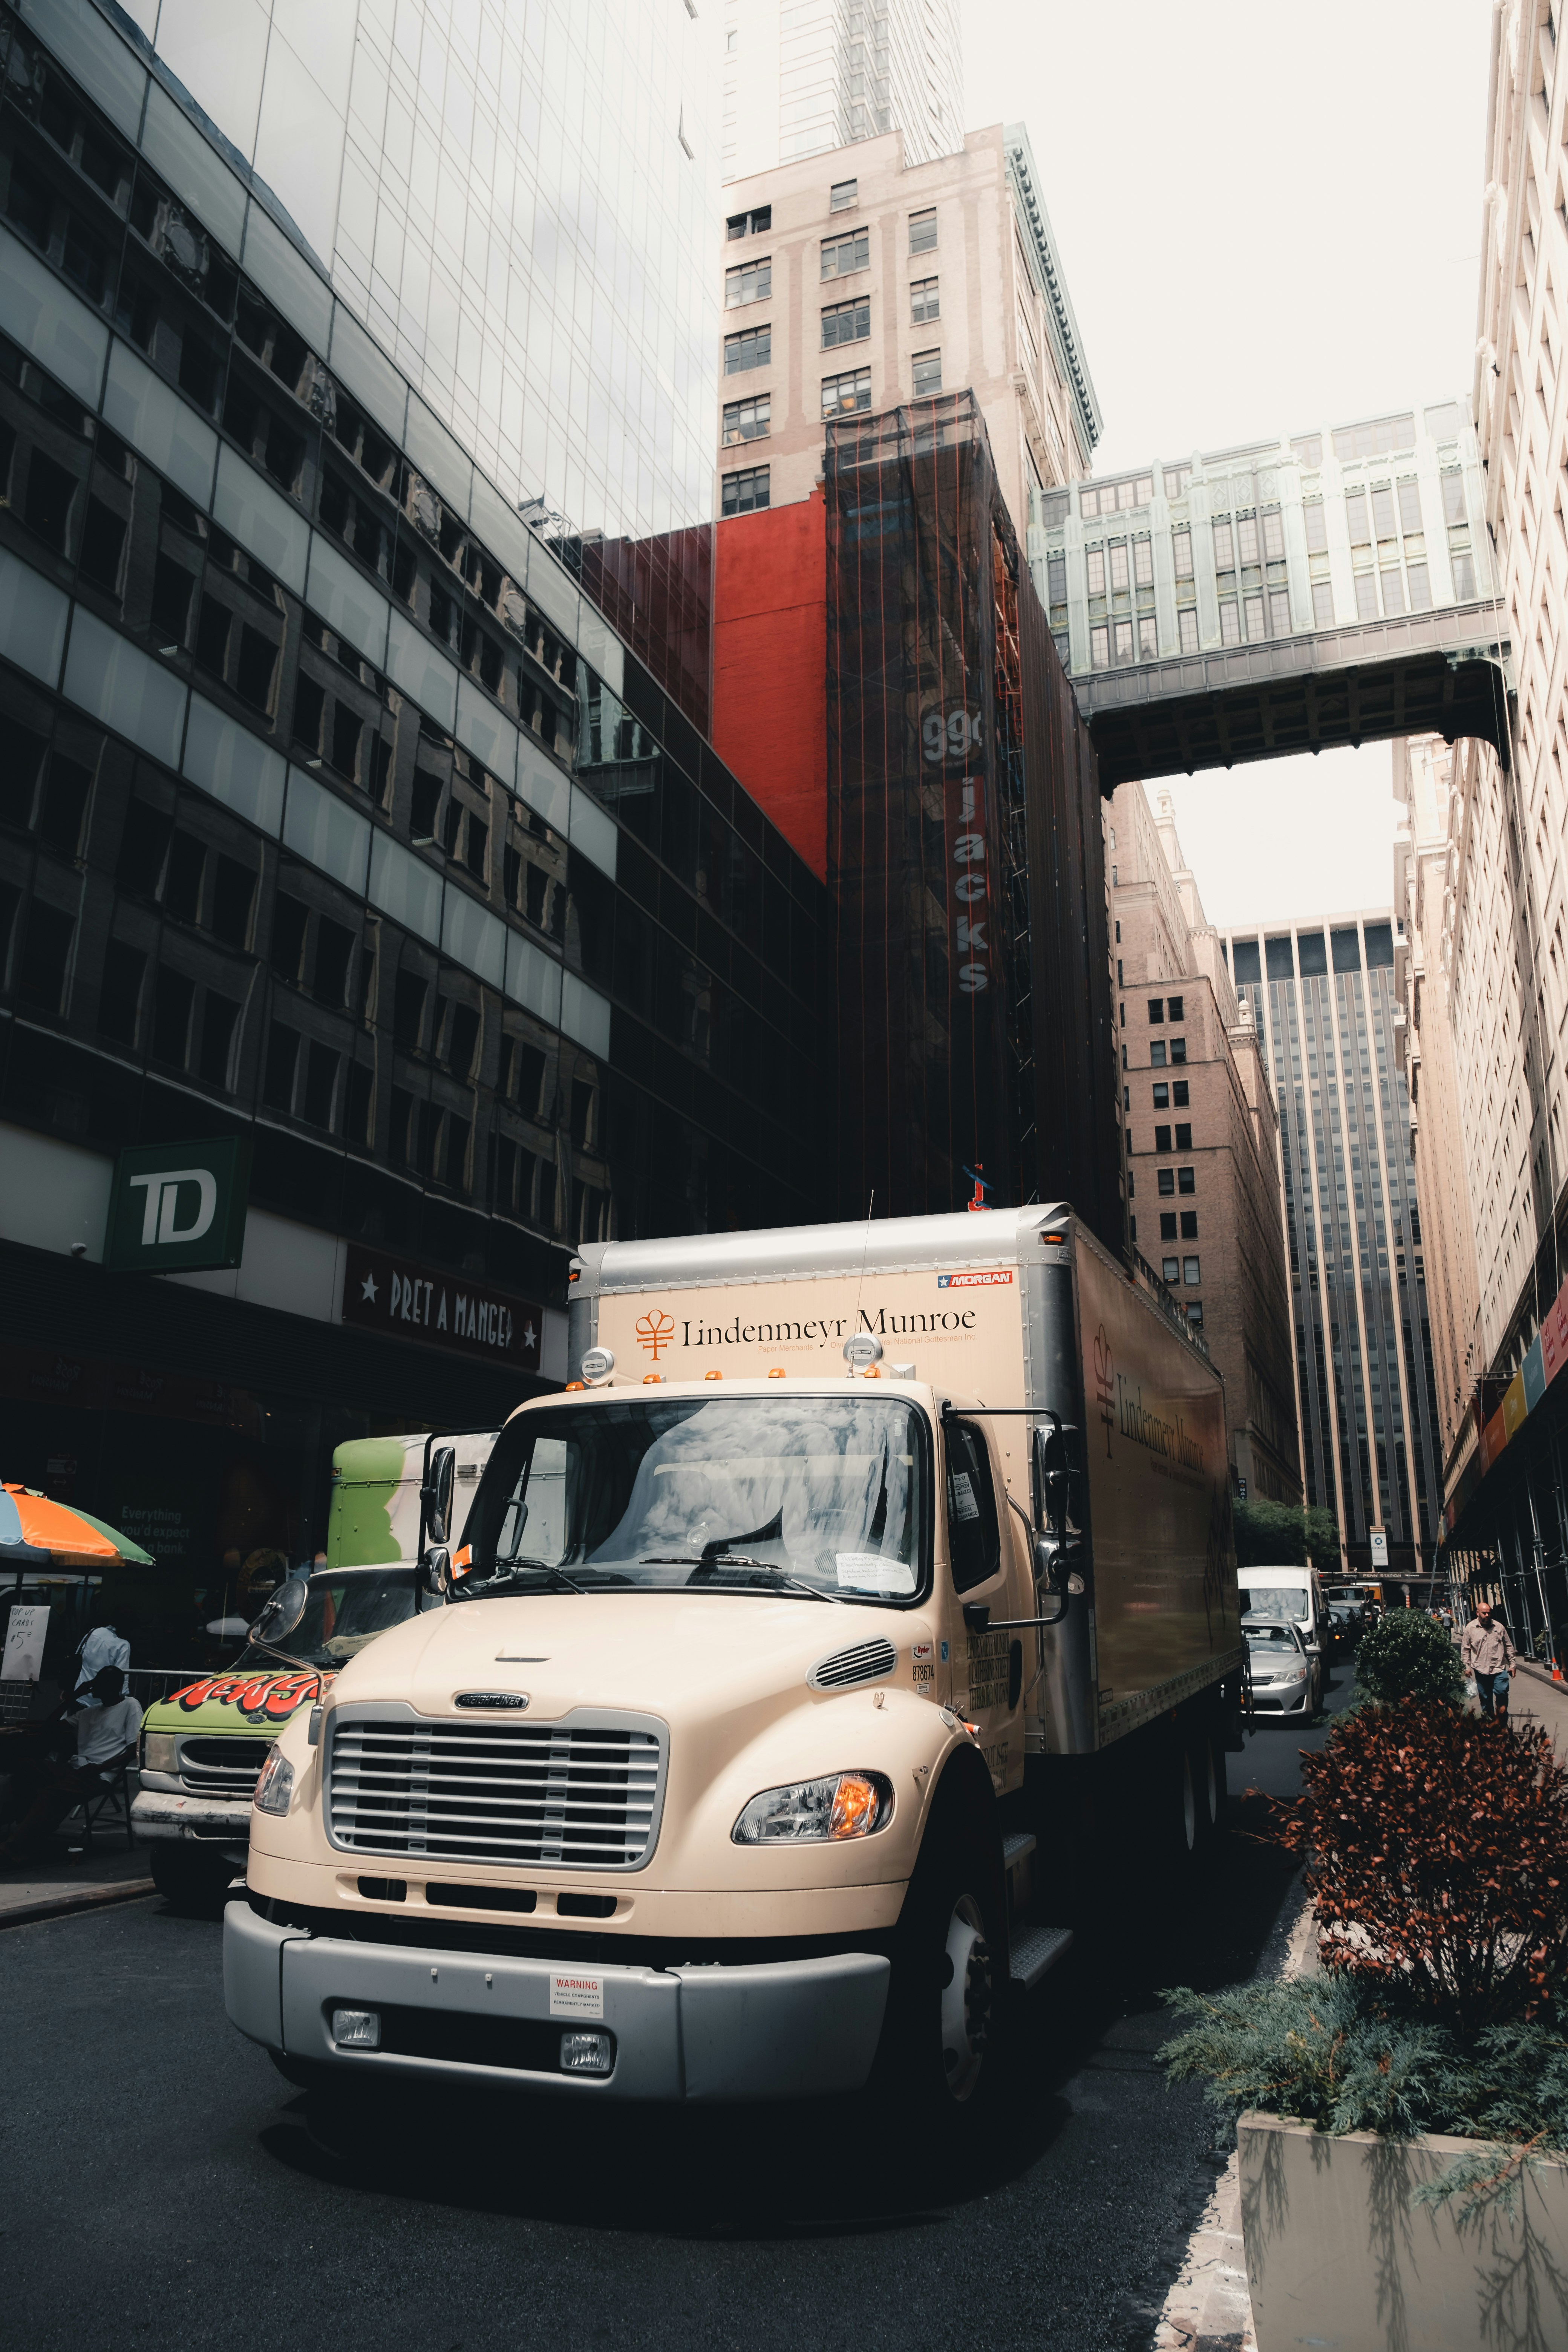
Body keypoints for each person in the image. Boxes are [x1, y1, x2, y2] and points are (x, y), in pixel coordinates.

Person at [0, 1666, 143, 1862]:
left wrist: (100, 1768)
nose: (94, 1687)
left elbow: (133, 1749)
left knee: (51, 1795)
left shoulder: (130, 1705)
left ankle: (14, 1847)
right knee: (25, 1768)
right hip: (75, 1769)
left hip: (99, 1774)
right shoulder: (89, 1713)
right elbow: (51, 1727)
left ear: (114, 1686)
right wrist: (74, 1696)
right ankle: (28, 1830)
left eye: (99, 1683)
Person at [1460, 1600, 1517, 1720]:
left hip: (1499, 1668)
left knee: (1502, 1692)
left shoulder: (1499, 1627)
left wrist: (1513, 1665)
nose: (1487, 1616)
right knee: (1485, 1698)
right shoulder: (1470, 1628)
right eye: (1484, 1613)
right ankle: (1490, 1723)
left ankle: (1502, 1717)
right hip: (1480, 1670)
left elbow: (1508, 1647)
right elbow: (1465, 1650)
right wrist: (1466, 1667)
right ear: (1478, 1613)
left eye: (1489, 1613)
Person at [72, 1599, 130, 1707]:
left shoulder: (94, 1632)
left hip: (80, 1693)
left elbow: (77, 1657)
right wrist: (123, 1698)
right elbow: (122, 1675)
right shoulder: (123, 1645)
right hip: (100, 1701)